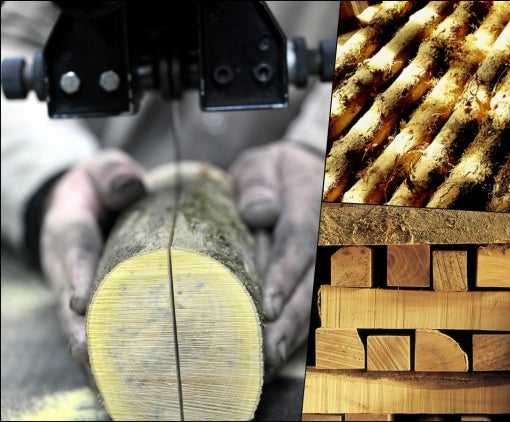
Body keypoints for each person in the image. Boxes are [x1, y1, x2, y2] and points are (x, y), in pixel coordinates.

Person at [1, 0, 337, 402]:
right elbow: (12, 41)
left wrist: (335, 149)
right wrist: (48, 181)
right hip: (117, 188)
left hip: (294, 178)